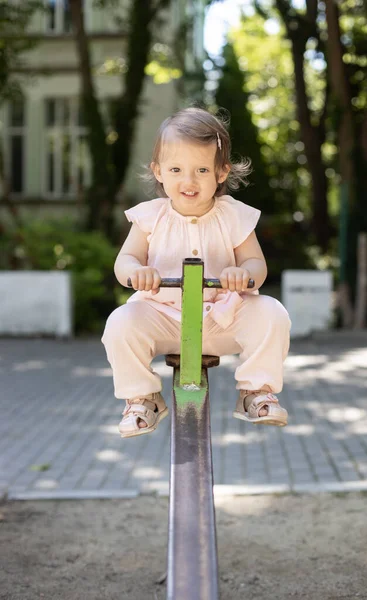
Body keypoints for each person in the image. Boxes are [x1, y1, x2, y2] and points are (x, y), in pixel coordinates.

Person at [102, 107, 291, 438]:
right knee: (120, 323)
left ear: (221, 173)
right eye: (176, 169)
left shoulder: (234, 216)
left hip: (223, 317)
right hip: (164, 318)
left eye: (201, 169)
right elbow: (125, 260)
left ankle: (256, 391)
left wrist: (242, 274)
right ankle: (142, 397)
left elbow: (256, 265)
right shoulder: (150, 218)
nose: (187, 181)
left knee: (272, 314)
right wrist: (137, 272)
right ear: (158, 171)